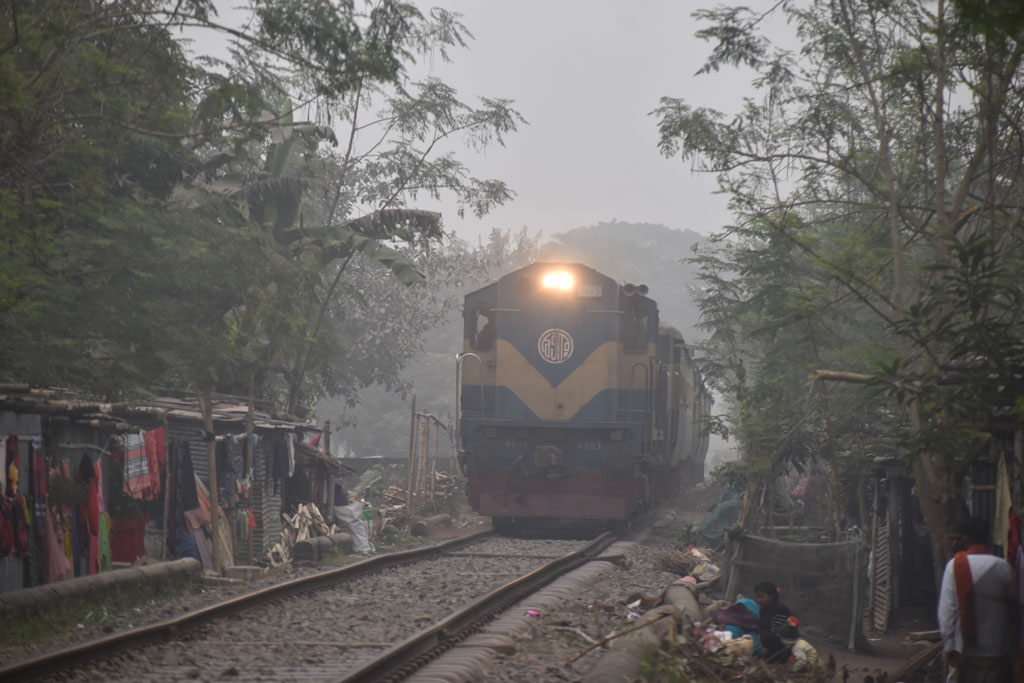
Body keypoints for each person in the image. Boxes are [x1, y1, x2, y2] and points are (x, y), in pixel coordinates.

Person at [937, 517, 1016, 683]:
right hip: (998, 648)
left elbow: (947, 611)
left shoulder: (954, 566)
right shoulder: (1003, 567)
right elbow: (1014, 612)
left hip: (965, 648)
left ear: (966, 538)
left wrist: (949, 645)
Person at [753, 580, 793, 662]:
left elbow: (777, 637)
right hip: (766, 650)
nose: (758, 600)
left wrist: (757, 634)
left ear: (772, 596)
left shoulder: (780, 610)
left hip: (778, 654)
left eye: (761, 597)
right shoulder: (763, 610)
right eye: (757, 597)